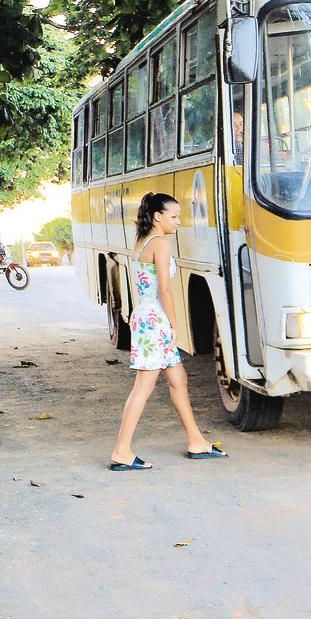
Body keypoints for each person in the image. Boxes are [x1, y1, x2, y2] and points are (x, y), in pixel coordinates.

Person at [110, 192, 227, 471]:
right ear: (157, 217)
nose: (179, 221)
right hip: (155, 320)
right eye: (174, 217)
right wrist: (174, 324)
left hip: (146, 316)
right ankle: (121, 451)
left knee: (179, 379)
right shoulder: (160, 244)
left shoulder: (142, 241)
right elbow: (164, 289)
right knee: (144, 386)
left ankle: (196, 441)